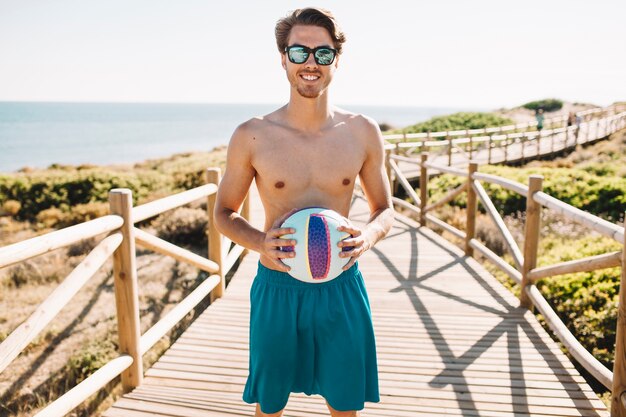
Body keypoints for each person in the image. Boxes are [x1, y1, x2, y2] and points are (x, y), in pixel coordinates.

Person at [213, 7, 394, 417]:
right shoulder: (252, 135)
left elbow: (385, 209)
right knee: (270, 405)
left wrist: (367, 236)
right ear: (283, 58)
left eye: (322, 53)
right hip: (278, 288)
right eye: (299, 52)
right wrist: (260, 242)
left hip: (342, 289)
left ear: (336, 60)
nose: (310, 63)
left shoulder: (362, 131)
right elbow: (223, 213)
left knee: (344, 405)